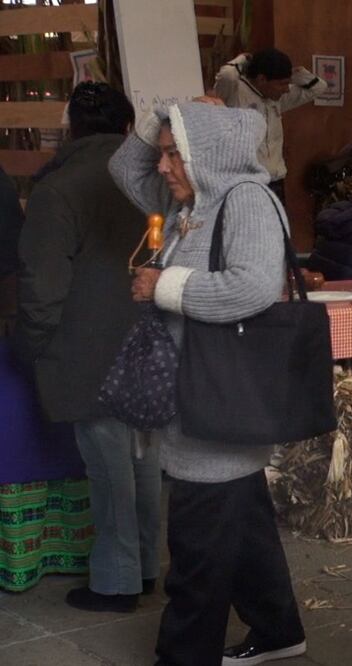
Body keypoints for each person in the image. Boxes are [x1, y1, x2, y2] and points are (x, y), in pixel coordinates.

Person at [108, 99, 305, 666]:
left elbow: (253, 288)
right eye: (166, 153)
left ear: (207, 156)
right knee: (240, 521)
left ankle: (183, 655)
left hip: (217, 401)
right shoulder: (188, 202)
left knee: (196, 551)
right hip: (199, 394)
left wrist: (162, 286)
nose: (163, 166)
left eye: (176, 155)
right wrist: (167, 111)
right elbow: (125, 170)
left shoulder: (243, 201)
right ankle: (278, 630)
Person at [14, 82, 159, 612]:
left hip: (85, 345)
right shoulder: (151, 180)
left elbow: (41, 285)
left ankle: (116, 581)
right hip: (149, 338)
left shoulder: (58, 189)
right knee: (144, 458)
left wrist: (31, 346)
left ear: (71, 126)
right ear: (127, 128)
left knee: (107, 465)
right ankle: (144, 567)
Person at [212, 48, 327, 201]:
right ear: (261, 79)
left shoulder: (278, 98)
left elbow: (319, 87)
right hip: (245, 185)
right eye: (282, 84)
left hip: (275, 183)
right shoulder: (233, 92)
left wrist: (296, 73)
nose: (287, 90)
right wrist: (243, 59)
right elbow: (227, 75)